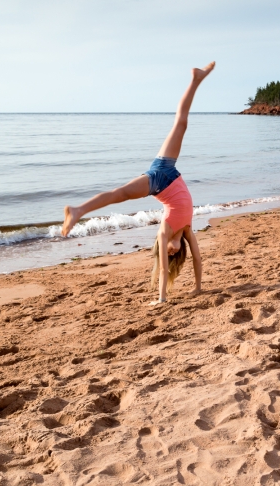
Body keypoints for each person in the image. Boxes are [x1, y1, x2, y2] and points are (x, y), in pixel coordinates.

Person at [61, 62, 215, 305]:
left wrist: (161, 298)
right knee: (181, 124)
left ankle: (78, 210)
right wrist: (198, 288)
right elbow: (197, 259)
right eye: (173, 253)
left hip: (158, 180)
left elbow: (163, 270)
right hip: (168, 174)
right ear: (180, 249)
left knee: (121, 193)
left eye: (165, 252)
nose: (169, 252)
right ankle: (196, 79)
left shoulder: (165, 230)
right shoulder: (186, 229)